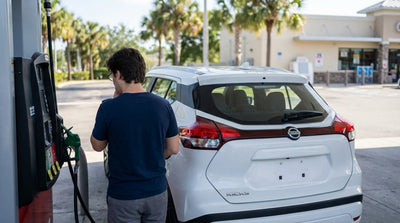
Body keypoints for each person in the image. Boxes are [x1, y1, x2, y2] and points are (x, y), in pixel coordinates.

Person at [90, 47, 179, 223]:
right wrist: (149, 155)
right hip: (157, 192)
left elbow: (97, 145)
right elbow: (173, 148)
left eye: (112, 77)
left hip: (124, 195)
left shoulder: (109, 108)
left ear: (118, 74)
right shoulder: (163, 106)